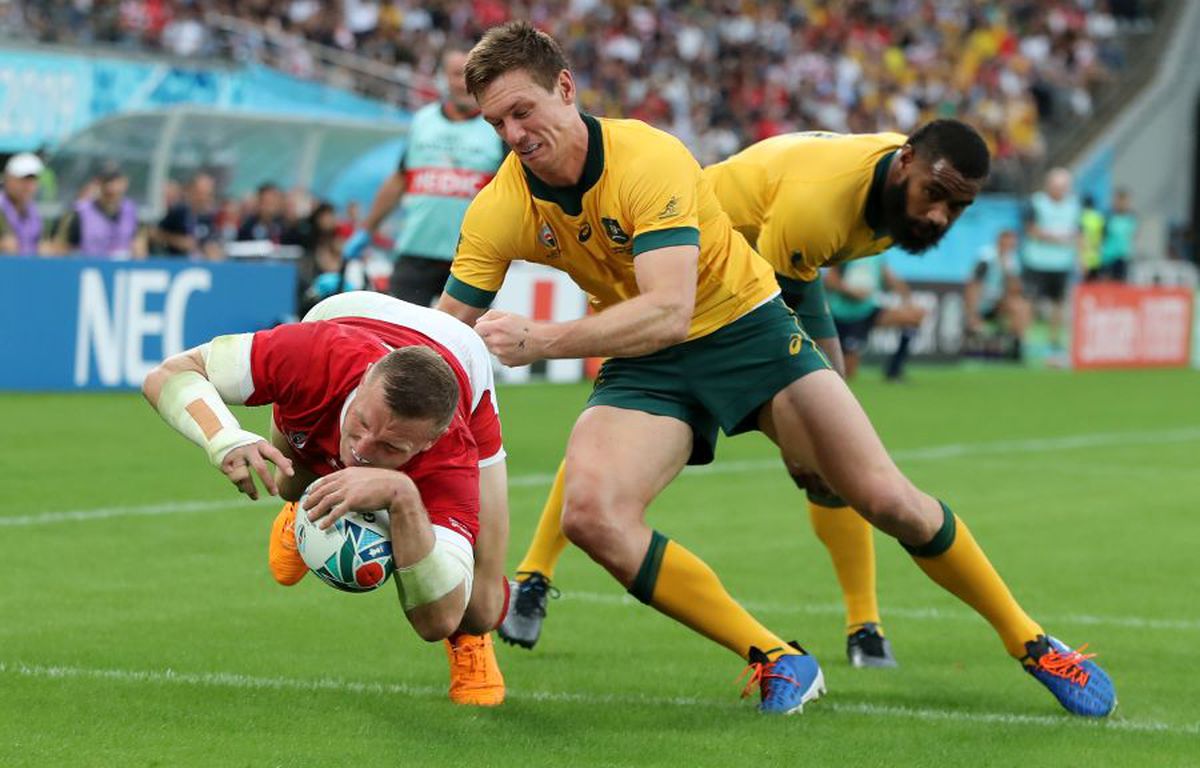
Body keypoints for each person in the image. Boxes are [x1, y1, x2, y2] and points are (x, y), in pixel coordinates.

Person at [438, 21, 1115, 717]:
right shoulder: (501, 205)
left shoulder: (647, 157)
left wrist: (541, 340)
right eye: (498, 123)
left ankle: (1031, 642)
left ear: (567, 88)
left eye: (524, 111)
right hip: (649, 359)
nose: (514, 134)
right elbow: (444, 328)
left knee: (884, 498)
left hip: (745, 327)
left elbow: (672, 308)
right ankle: (777, 657)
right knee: (592, 513)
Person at [503, 122, 973, 669]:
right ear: (907, 163)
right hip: (694, 265)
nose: (939, 214)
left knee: (833, 443)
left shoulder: (902, 185)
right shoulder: (829, 195)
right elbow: (771, 293)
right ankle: (534, 575)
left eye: (953, 205)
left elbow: (799, 257)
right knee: (620, 430)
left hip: (780, 261)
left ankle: (863, 623)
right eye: (935, 196)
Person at [141, 291, 512, 707]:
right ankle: (303, 509)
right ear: (366, 378)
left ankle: (472, 647)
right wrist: (226, 438)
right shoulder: (310, 354)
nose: (364, 450)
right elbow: (169, 373)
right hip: (346, 316)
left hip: (465, 368)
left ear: (430, 442)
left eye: (391, 447)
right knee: (288, 484)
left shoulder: (451, 456)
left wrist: (403, 498)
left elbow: (437, 620)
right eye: (362, 422)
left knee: (478, 609)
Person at [343, 48, 507, 306]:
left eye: (472, 74)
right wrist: (366, 229)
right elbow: (400, 178)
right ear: (442, 77)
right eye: (456, 74)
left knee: (463, 341)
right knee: (401, 338)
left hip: (471, 259)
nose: (464, 82)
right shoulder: (423, 120)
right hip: (414, 254)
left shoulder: (499, 125)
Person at [825, 255, 926, 381]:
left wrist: (908, 300)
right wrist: (850, 291)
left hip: (869, 309)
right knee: (848, 373)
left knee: (914, 317)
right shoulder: (848, 250)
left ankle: (894, 370)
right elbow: (829, 280)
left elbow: (890, 279)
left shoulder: (876, 253)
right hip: (845, 316)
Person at [1022, 168, 1080, 357]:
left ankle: (1054, 341)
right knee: (1028, 301)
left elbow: (1078, 233)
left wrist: (1080, 255)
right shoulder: (1036, 202)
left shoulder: (1074, 205)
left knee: (1058, 303)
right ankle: (1025, 341)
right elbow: (1030, 230)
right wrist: (1054, 237)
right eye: (1056, 187)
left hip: (1061, 263)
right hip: (1036, 260)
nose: (1059, 190)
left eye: (1063, 187)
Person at [52, 162, 147, 259]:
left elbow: (140, 247)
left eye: (116, 181)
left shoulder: (132, 213)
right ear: (98, 183)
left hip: (121, 270)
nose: (111, 188)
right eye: (107, 181)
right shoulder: (78, 213)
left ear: (125, 183)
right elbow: (58, 248)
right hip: (88, 269)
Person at [965, 229, 1032, 358]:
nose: (1008, 246)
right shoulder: (986, 257)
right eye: (1006, 242)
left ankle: (1017, 346)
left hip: (997, 302)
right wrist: (972, 313)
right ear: (999, 241)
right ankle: (975, 326)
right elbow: (973, 285)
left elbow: (1015, 290)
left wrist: (1008, 272)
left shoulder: (1012, 260)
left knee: (1022, 306)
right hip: (980, 301)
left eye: (1011, 244)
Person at [154, 172, 221, 259]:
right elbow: (155, 234)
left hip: (203, 265)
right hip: (178, 261)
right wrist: (177, 241)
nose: (202, 197)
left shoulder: (212, 217)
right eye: (199, 193)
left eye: (207, 194)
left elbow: (214, 240)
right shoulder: (179, 212)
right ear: (191, 191)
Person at [0, 152, 47, 255]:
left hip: (27, 269)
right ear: (8, 178)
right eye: (23, 180)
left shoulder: (34, 211)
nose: (28, 187)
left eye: (32, 181)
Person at [1099, 188, 1137, 281]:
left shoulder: (1131, 218)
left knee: (1121, 285)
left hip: (1123, 257)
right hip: (1108, 257)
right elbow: (1102, 235)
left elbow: (1132, 236)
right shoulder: (1108, 217)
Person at [1080, 196, 1106, 281]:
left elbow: (1079, 235)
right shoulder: (1099, 217)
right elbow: (1103, 235)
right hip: (1096, 253)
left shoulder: (1081, 217)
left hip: (1083, 254)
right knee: (1095, 282)